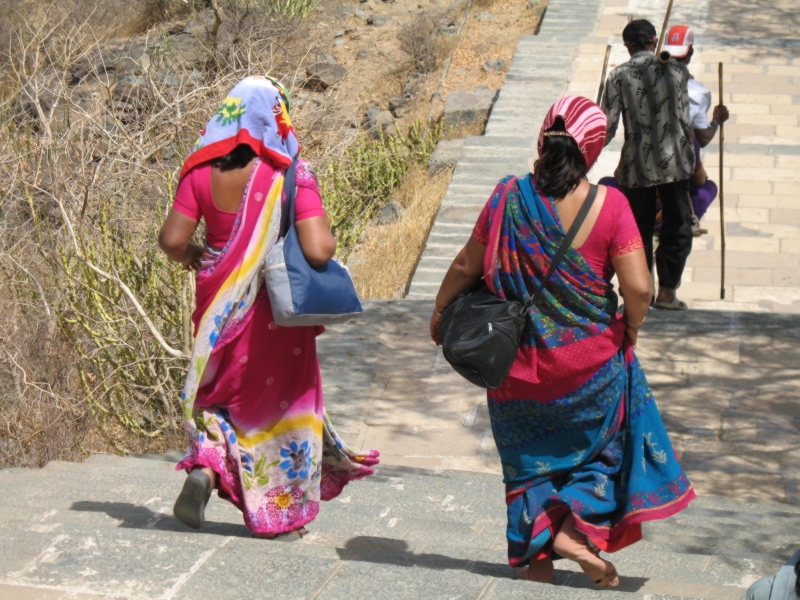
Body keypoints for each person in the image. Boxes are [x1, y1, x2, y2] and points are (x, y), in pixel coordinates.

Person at [429, 96, 695, 588]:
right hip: (589, 369)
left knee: (527, 465)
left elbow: (469, 264)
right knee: (604, 452)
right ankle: (573, 529)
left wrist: (442, 310)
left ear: (542, 140)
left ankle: (539, 563)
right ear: (592, 150)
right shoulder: (610, 205)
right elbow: (638, 288)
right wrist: (631, 325)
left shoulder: (508, 195)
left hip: (516, 370)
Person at [158, 76, 379, 539]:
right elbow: (318, 250)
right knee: (282, 405)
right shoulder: (291, 173)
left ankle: (209, 467)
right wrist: (326, 233)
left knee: (222, 399)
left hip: (218, 314)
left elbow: (173, 241)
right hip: (274, 319)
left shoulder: (198, 173)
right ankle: (278, 510)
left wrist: (199, 256)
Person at [602, 19, 696, 310]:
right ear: (654, 41)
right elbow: (682, 119)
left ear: (627, 45)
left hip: (637, 164)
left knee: (636, 230)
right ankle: (668, 291)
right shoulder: (679, 71)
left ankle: (641, 292)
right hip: (676, 162)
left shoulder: (618, 76)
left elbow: (607, 126)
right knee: (677, 224)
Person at [663, 24, 730, 233]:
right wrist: (717, 120)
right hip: (676, 184)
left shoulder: (641, 83)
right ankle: (688, 220)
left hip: (642, 180)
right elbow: (703, 138)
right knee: (708, 187)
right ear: (689, 54)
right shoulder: (697, 93)